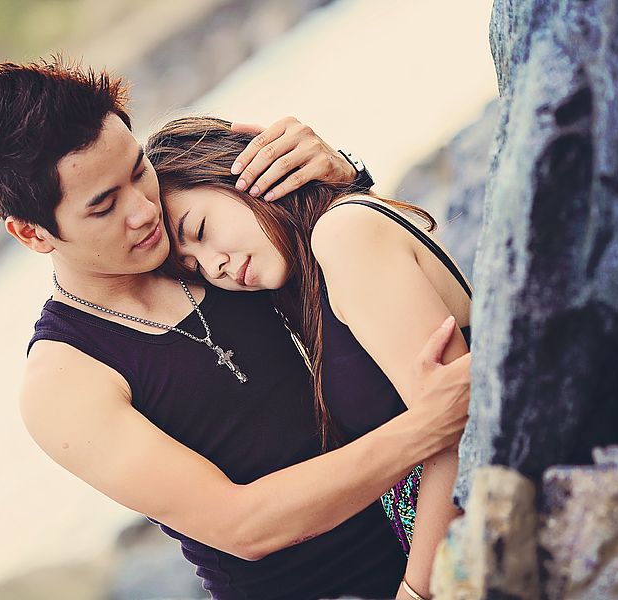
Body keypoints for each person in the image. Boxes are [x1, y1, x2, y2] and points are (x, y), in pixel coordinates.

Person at [0, 57, 470, 600]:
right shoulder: (65, 381)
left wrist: (337, 174)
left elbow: (355, 275)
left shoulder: (205, 231)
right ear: (32, 234)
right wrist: (428, 427)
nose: (143, 210)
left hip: (423, 547)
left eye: (136, 170)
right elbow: (243, 526)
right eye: (104, 206)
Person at [146, 116, 474, 599]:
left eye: (199, 229)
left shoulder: (344, 234)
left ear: (249, 174)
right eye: (192, 266)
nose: (213, 263)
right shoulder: (305, 284)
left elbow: (461, 427)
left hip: (478, 549)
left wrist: (416, 590)